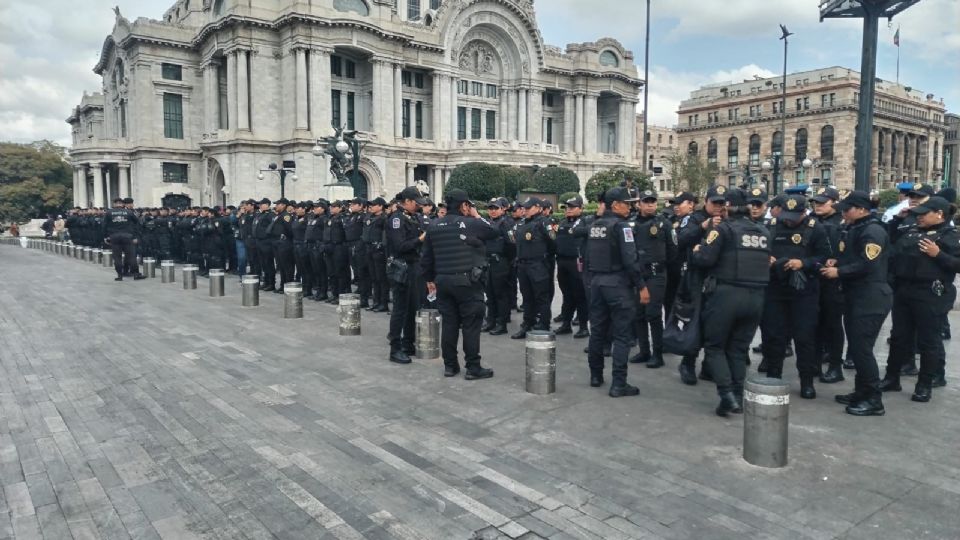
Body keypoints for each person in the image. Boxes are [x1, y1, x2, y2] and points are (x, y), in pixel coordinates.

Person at [690, 188, 771, 416]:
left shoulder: (723, 229)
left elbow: (705, 259)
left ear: (728, 206)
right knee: (738, 348)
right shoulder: (764, 232)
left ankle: (726, 395)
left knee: (715, 347)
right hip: (756, 297)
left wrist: (698, 250)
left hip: (726, 294)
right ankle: (738, 395)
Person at [880, 196, 960, 403]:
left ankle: (925, 384)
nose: (919, 217)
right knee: (899, 337)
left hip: (931, 293)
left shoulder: (951, 236)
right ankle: (891, 378)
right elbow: (889, 242)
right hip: (905, 290)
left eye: (924, 214)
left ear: (939, 214)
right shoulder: (911, 231)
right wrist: (898, 219)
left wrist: (938, 254)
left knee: (928, 341)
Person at [820, 190, 892, 416]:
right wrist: (838, 261)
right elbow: (853, 257)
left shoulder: (873, 230)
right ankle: (861, 391)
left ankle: (873, 399)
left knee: (862, 350)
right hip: (857, 295)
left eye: (848, 209)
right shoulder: (855, 228)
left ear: (861, 209)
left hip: (870, 296)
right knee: (859, 347)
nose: (844, 213)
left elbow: (868, 264)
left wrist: (839, 271)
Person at [758, 194, 830, 399]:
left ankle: (807, 381)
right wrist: (767, 257)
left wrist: (804, 263)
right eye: (786, 215)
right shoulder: (771, 225)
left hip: (804, 290)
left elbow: (824, 258)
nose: (788, 220)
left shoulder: (816, 228)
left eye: (794, 216)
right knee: (774, 336)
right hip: (775, 288)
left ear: (804, 213)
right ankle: (773, 376)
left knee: (804, 337)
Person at [421, 189, 498, 379]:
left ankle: (450, 366)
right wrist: (477, 215)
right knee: (471, 325)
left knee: (449, 324)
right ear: (464, 205)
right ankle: (473, 367)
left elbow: (427, 258)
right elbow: (494, 231)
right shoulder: (471, 223)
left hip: (442, 281)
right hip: (466, 283)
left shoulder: (434, 225)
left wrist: (430, 280)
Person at [584, 187, 649, 397]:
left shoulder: (595, 226)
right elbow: (631, 260)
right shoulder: (622, 227)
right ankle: (619, 383)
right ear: (615, 205)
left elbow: (587, 257)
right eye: (626, 203)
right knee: (622, 335)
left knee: (598, 331)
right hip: (617, 284)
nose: (630, 207)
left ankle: (596, 376)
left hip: (597, 283)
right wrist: (641, 286)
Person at [676, 186, 726, 384]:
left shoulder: (726, 219)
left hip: (718, 277)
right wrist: (703, 227)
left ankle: (709, 366)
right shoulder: (695, 218)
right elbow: (680, 240)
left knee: (716, 323)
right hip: (697, 276)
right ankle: (688, 363)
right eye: (714, 202)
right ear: (706, 201)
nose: (718, 207)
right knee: (695, 321)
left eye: (721, 203)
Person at [630, 189, 676, 368]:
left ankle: (658, 353)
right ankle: (644, 350)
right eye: (646, 201)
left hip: (656, 274)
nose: (650, 204)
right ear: (639, 204)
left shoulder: (664, 223)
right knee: (638, 314)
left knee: (653, 314)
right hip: (637, 274)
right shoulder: (631, 224)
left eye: (653, 201)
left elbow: (673, 250)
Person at [385, 187, 428, 364]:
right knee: (400, 309)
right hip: (402, 267)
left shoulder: (414, 217)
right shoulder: (397, 219)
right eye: (416, 203)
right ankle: (395, 348)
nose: (418, 206)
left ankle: (408, 343)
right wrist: (420, 240)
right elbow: (400, 246)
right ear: (408, 201)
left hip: (415, 267)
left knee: (414, 306)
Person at [811, 187, 847, 382]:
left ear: (834, 202)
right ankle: (814, 364)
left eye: (822, 202)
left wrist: (838, 262)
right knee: (814, 324)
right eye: (816, 202)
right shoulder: (812, 220)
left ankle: (835, 365)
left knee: (833, 324)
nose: (817, 206)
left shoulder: (843, 222)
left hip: (833, 280)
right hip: (814, 278)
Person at [510, 197, 556, 339]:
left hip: (537, 265)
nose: (525, 211)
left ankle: (544, 324)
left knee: (542, 297)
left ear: (537, 207)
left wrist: (545, 260)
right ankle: (528, 323)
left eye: (528, 208)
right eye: (524, 208)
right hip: (523, 265)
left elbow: (553, 242)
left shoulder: (544, 222)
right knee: (527, 297)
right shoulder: (523, 223)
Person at [554, 195, 590, 338]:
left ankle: (583, 326)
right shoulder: (562, 223)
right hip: (562, 263)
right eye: (567, 207)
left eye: (572, 207)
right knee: (567, 295)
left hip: (577, 263)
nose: (568, 210)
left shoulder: (585, 222)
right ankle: (566, 324)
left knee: (580, 296)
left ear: (581, 208)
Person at [481, 198, 515, 336]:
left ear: (502, 209)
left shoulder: (506, 223)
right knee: (490, 294)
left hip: (500, 261)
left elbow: (512, 244)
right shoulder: (489, 222)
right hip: (489, 262)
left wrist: (507, 260)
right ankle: (491, 321)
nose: (493, 211)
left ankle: (501, 323)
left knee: (500, 294)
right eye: (490, 208)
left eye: (495, 208)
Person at [102, 197, 146, 281]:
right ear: (122, 204)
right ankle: (136, 274)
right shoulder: (129, 212)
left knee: (117, 256)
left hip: (114, 237)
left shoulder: (108, 213)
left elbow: (104, 226)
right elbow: (137, 223)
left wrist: (105, 237)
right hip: (128, 237)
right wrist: (135, 236)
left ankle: (119, 275)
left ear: (114, 204)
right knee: (131, 256)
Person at [363, 198, 389, 312]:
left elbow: (386, 234)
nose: (371, 207)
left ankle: (383, 303)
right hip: (369, 248)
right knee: (373, 277)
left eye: (374, 205)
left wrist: (381, 245)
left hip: (378, 250)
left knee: (381, 278)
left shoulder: (384, 218)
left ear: (380, 206)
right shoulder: (369, 216)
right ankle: (376, 302)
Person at [269, 198, 295, 293]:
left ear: (283, 205)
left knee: (287, 266)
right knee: (281, 266)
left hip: (285, 243)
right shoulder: (279, 215)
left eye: (278, 204)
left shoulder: (286, 216)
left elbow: (289, 230)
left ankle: (288, 285)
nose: (276, 206)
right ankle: (282, 285)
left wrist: (284, 238)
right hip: (278, 243)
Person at [305, 200, 329, 301]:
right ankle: (319, 290)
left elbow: (326, 234)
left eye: (317, 207)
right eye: (314, 207)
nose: (314, 208)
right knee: (316, 271)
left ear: (323, 208)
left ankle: (323, 292)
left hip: (318, 246)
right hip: (311, 246)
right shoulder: (313, 217)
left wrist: (322, 246)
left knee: (321, 271)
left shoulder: (324, 219)